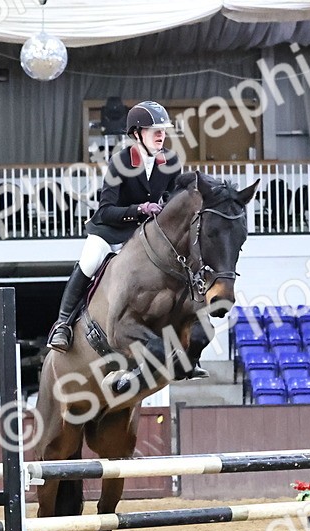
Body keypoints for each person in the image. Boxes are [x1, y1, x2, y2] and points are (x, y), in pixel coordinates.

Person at [47, 101, 191, 360]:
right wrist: (139, 209)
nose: (161, 135)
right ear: (137, 133)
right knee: (90, 261)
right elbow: (106, 210)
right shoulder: (120, 162)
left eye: (163, 130)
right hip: (111, 231)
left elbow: (172, 200)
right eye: (154, 130)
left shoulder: (170, 161)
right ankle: (63, 324)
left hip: (144, 235)